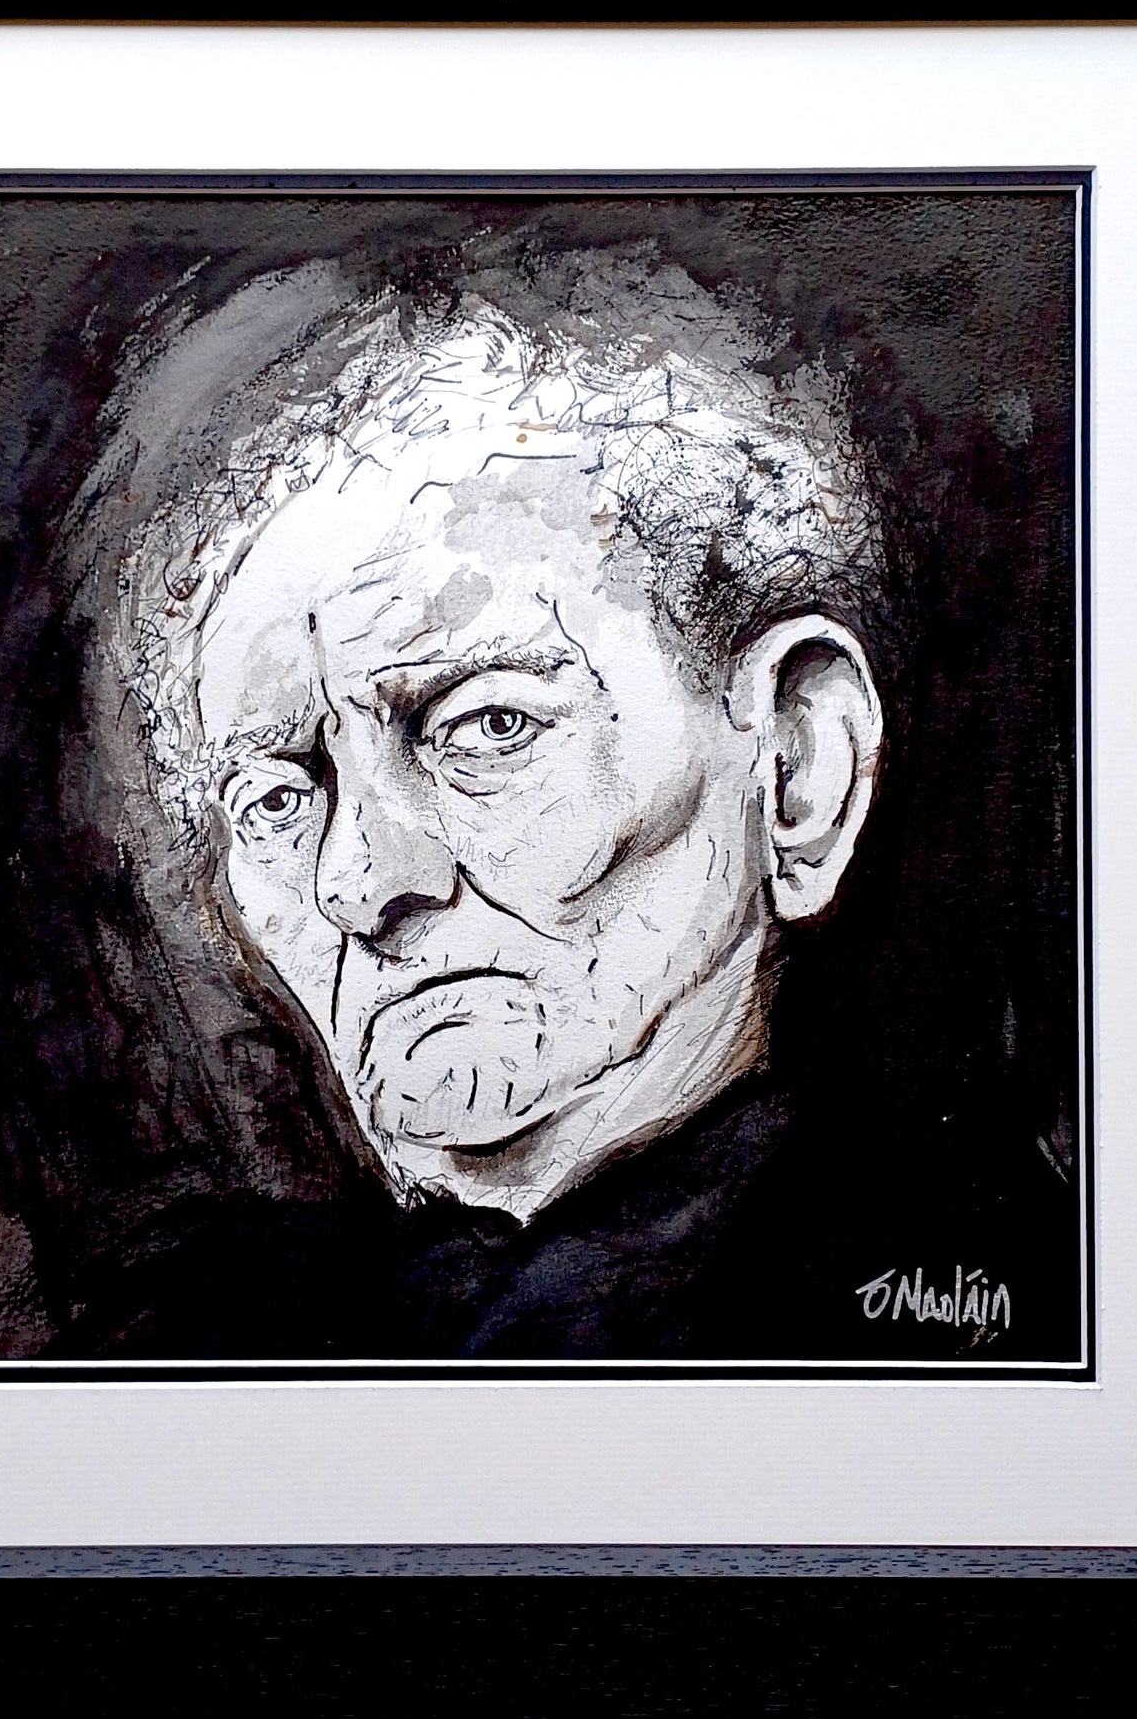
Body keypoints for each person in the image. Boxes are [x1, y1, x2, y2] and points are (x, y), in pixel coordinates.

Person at [53, 245, 1059, 1359]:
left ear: (796, 766)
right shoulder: (203, 1333)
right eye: (278, 800)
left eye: (488, 727)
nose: (359, 881)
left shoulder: (993, 1286)